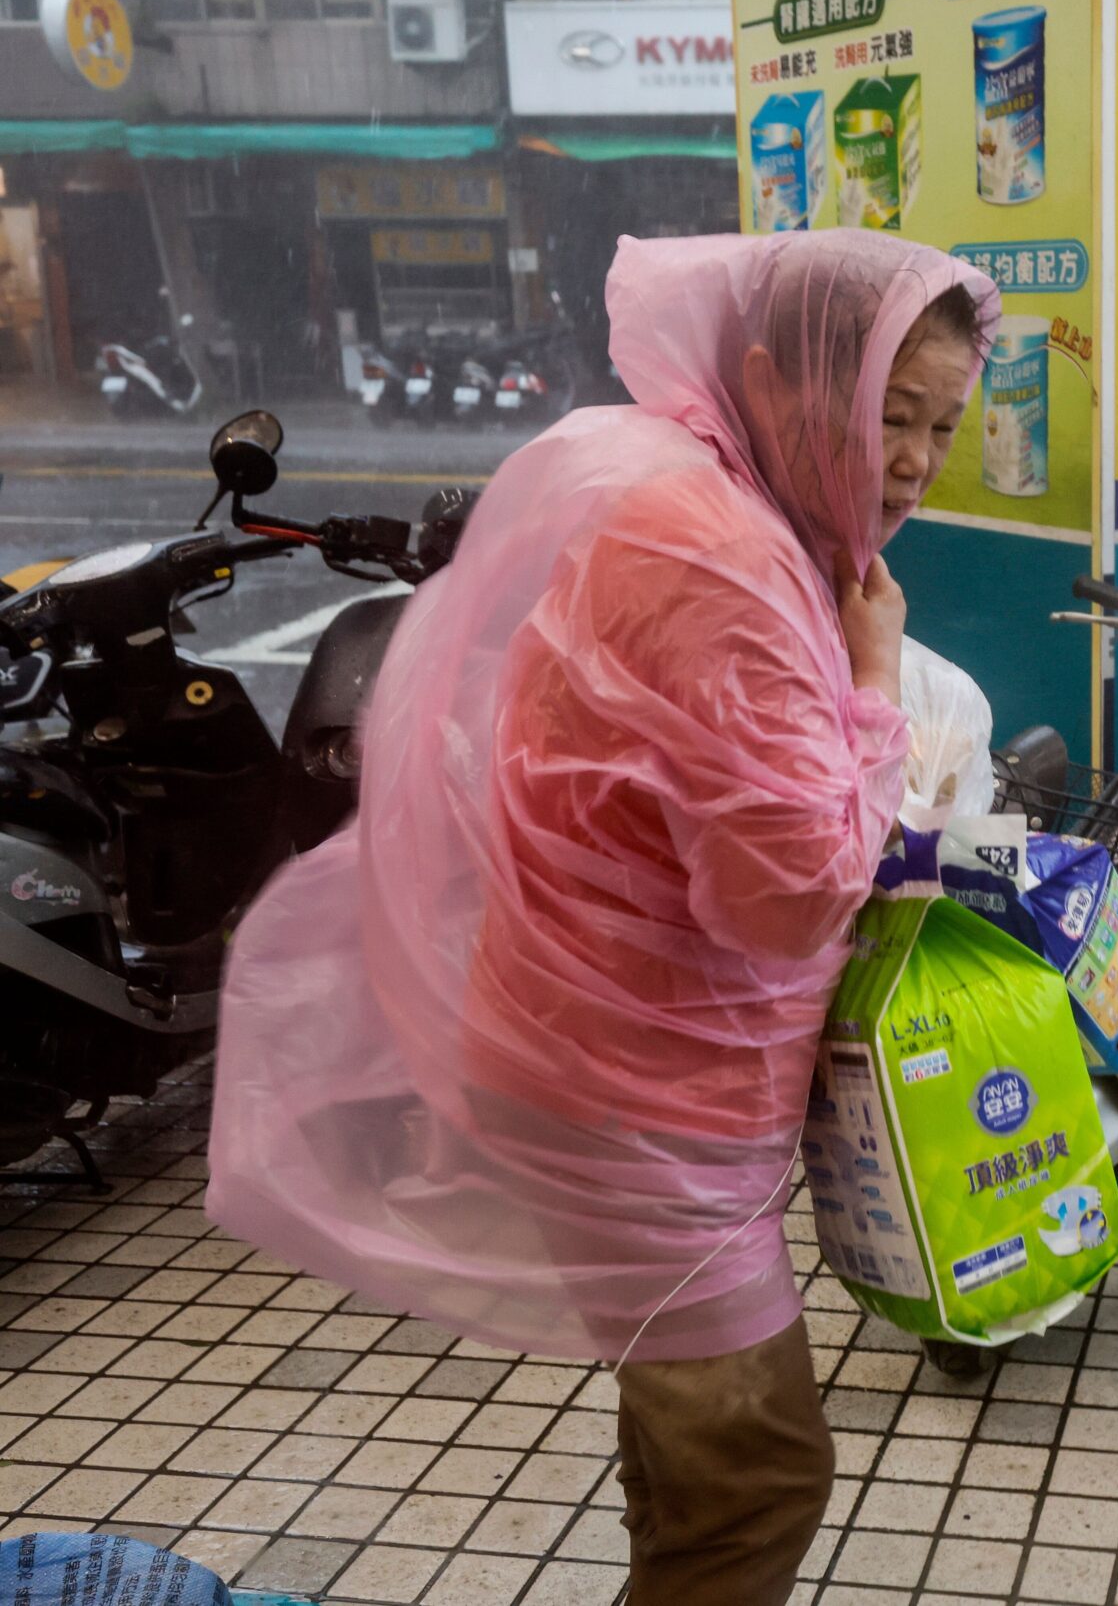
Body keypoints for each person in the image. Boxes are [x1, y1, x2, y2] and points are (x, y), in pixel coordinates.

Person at [208, 231, 1000, 1604]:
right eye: (889, 413)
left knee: (690, 1439)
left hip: (606, 1047)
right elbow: (787, 893)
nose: (918, 461)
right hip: (637, 1097)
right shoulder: (727, 565)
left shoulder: (703, 496)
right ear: (769, 375)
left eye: (942, 423)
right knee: (757, 1473)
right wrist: (874, 686)